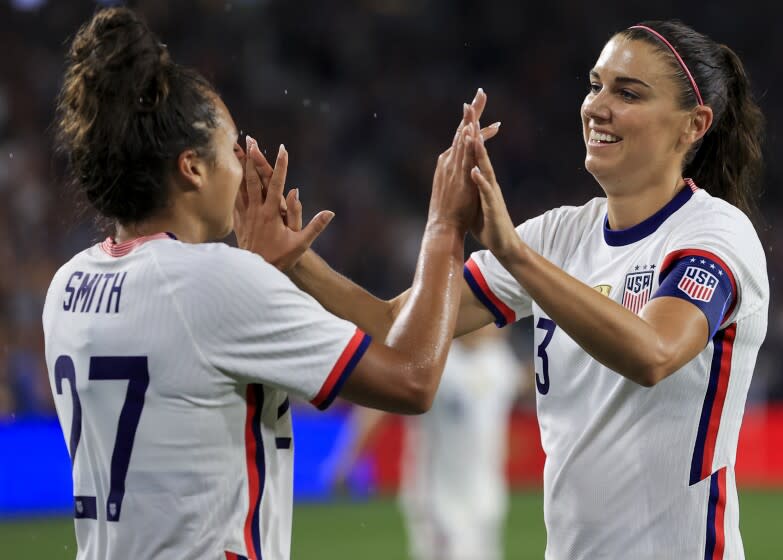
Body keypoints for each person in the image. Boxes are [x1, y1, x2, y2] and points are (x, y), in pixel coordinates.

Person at [285, 20, 769, 559]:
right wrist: (297, 260)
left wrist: (515, 254)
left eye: (627, 92)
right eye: (595, 84)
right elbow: (396, 328)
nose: (596, 106)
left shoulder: (715, 233)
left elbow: (653, 353)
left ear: (693, 125)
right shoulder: (558, 234)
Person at [43, 7, 498, 559]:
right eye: (233, 147)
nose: (245, 162)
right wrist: (446, 226)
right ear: (192, 168)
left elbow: (188, 370)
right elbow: (412, 379)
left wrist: (263, 271)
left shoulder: (67, 287)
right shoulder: (216, 284)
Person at [327, 324, 525, 560]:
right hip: (438, 502)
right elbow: (376, 409)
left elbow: (524, 383)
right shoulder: (434, 361)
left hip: (487, 498)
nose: (496, 323)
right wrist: (348, 460)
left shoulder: (499, 361)